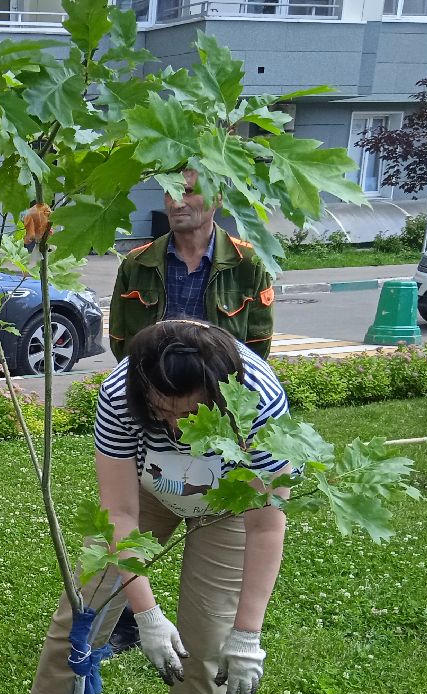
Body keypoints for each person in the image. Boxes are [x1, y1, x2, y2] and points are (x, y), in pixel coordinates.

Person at [0, 320, 288, 694]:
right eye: (161, 412)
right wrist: (146, 615)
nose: (174, 427)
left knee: (210, 635)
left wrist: (247, 635)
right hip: (146, 496)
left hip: (229, 504)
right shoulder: (119, 394)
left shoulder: (258, 403)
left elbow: (265, 526)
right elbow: (121, 514)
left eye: (189, 413)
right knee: (85, 606)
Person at [104, 167, 276, 654]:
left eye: (188, 191)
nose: (176, 201)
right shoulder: (137, 263)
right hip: (156, 409)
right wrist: (154, 399)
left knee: (209, 619)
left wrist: (225, 414)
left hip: (219, 413)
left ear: (217, 196)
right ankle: (127, 617)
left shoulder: (248, 263)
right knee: (106, 567)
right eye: (169, 192)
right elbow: (122, 341)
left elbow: (258, 345)